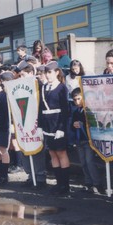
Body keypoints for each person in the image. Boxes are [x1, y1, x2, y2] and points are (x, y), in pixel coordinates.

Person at [39, 61, 70, 195]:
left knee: (61, 153)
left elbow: (65, 109)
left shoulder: (61, 87)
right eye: (46, 72)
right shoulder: (44, 87)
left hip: (58, 123)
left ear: (57, 72)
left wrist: (61, 128)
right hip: (47, 124)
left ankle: (65, 185)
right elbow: (40, 108)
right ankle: (58, 183)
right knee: (52, 153)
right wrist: (40, 126)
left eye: (50, 72)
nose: (47, 75)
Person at [71, 88, 105, 194]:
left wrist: (82, 125)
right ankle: (88, 183)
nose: (77, 102)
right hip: (79, 140)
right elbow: (72, 124)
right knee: (83, 162)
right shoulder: (76, 111)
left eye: (79, 99)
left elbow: (94, 125)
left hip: (88, 140)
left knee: (90, 162)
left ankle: (97, 184)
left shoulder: (89, 110)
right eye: (75, 100)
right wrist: (74, 125)